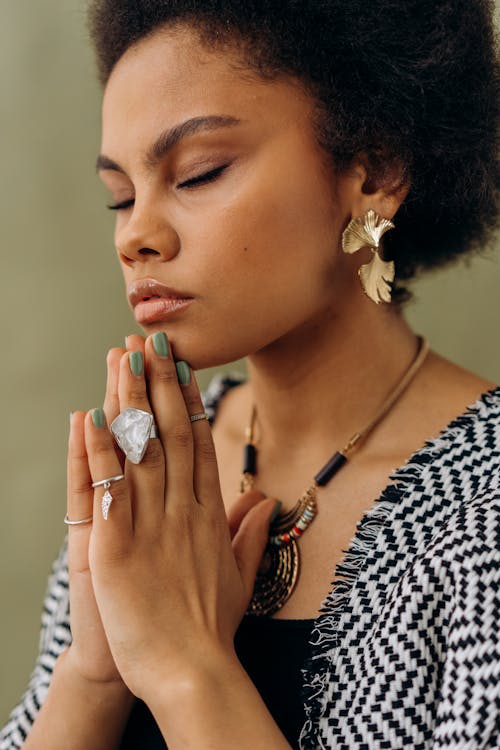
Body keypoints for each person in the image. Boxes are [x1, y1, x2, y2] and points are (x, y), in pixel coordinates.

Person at [1, 1, 499, 748]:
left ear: (374, 169)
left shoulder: (482, 518)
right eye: (121, 194)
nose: (136, 233)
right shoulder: (151, 463)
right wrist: (91, 675)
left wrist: (186, 667)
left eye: (199, 174)